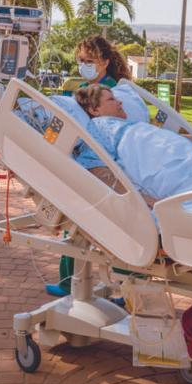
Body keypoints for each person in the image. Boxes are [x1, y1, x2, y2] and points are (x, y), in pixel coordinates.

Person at [50, 36, 134, 297]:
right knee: (76, 228)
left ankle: (122, 288)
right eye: (81, 61)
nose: (84, 65)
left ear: (105, 62)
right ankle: (72, 282)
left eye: (90, 61)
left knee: (78, 224)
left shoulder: (112, 92)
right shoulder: (90, 88)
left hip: (101, 163)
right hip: (93, 161)